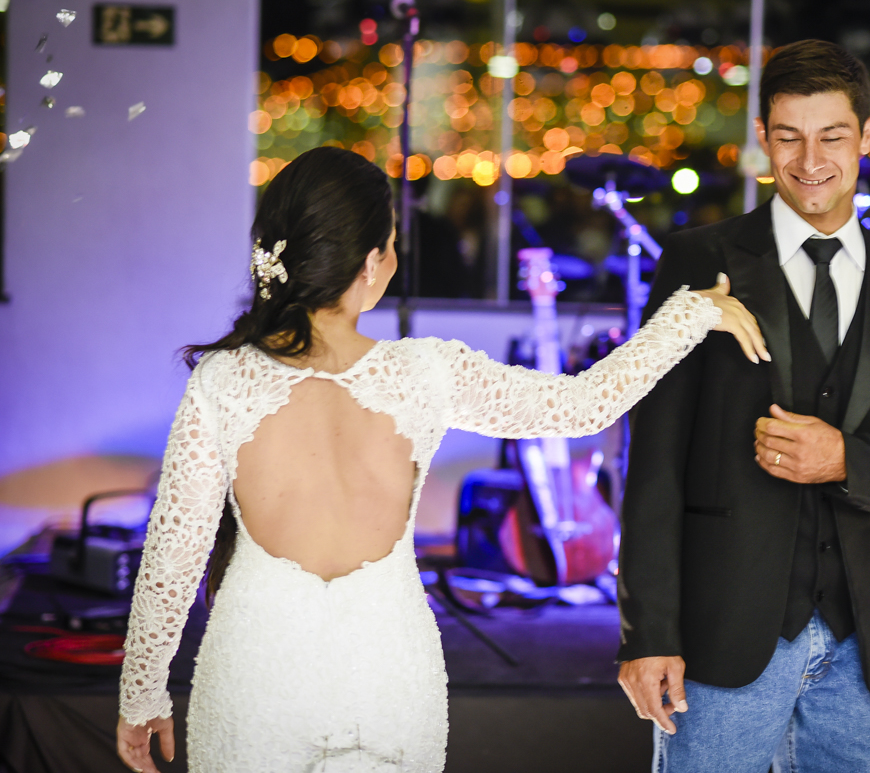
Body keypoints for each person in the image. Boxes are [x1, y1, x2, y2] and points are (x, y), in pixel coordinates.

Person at [114, 146, 767, 773]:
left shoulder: (224, 380)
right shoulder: (425, 372)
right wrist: (688, 315)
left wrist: (142, 695)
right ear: (371, 263)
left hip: (257, 677)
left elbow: (173, 560)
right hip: (389, 679)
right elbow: (582, 407)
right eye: (393, 243)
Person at [616, 39, 870, 773]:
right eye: (789, 136)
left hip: (858, 641)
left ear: (868, 136)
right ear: (762, 137)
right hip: (721, 634)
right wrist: (647, 632)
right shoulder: (697, 264)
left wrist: (845, 460)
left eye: (833, 136)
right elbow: (652, 463)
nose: (810, 160)